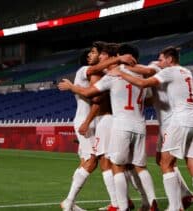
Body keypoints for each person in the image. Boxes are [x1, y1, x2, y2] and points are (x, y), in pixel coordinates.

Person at [59, 44, 159, 211]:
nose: (93, 55)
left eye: (96, 53)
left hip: (108, 121)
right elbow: (149, 87)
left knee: (113, 164)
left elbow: (95, 99)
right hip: (127, 123)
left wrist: (73, 88)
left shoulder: (111, 75)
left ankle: (120, 203)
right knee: (122, 164)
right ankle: (138, 200)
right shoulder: (124, 74)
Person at [108, 46, 193, 211]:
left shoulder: (166, 70)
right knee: (192, 165)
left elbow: (143, 80)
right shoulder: (186, 72)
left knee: (166, 163)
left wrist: (121, 70)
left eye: (161, 59)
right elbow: (151, 93)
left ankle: (175, 206)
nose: (159, 62)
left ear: (169, 60)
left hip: (177, 121)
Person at [60, 41, 106, 211]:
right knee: (91, 161)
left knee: (91, 161)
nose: (92, 55)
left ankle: (71, 203)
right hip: (86, 121)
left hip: (91, 121)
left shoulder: (96, 74)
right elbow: (95, 100)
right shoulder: (84, 71)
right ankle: (68, 201)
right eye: (92, 53)